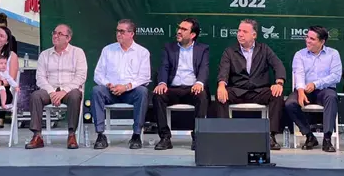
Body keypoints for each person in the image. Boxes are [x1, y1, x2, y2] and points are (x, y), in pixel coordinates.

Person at [216, 19, 286, 150]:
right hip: (238, 91)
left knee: (277, 94)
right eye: (239, 31)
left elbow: (278, 65)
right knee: (221, 95)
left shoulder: (264, 49)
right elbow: (223, 71)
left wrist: (279, 82)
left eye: (244, 31)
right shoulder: (229, 51)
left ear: (254, 35)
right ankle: (224, 135)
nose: (240, 34)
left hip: (258, 91)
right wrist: (221, 85)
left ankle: (271, 136)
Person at [25, 24, 86, 150]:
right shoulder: (44, 54)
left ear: (68, 38)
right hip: (50, 89)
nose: (55, 36)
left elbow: (80, 77)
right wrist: (52, 92)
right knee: (35, 96)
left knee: (75, 95)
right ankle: (37, 136)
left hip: (69, 90)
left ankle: (72, 135)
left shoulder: (78, 52)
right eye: (54, 33)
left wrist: (64, 91)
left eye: (59, 34)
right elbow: (40, 78)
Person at [92, 19, 151, 150]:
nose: (118, 34)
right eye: (117, 31)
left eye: (122, 31)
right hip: (111, 91)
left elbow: (145, 77)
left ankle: (136, 135)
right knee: (97, 90)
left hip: (131, 91)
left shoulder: (142, 52)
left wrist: (126, 87)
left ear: (132, 34)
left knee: (142, 92)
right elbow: (98, 74)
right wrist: (108, 84)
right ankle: (100, 135)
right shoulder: (108, 50)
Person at [152, 18, 209, 151]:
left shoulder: (202, 49)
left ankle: (198, 138)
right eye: (179, 28)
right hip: (173, 89)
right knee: (158, 95)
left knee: (202, 95)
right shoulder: (168, 47)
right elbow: (164, 67)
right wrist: (162, 83)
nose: (179, 31)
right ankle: (165, 138)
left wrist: (199, 82)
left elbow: (204, 68)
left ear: (193, 35)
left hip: (192, 89)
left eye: (184, 29)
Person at [285, 26, 342, 152]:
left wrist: (316, 84)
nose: (308, 41)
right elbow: (299, 74)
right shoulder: (300, 54)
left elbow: (336, 76)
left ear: (322, 42)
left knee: (331, 97)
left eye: (312, 39)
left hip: (325, 90)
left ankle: (327, 139)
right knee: (290, 103)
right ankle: (309, 136)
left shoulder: (333, 54)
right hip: (304, 90)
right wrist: (300, 91)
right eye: (307, 37)